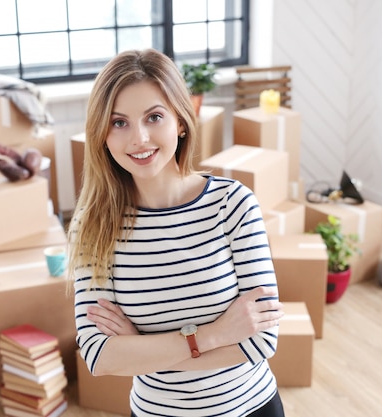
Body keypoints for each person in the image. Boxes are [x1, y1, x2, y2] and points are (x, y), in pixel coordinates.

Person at [67, 48, 285, 417]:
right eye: (119, 122)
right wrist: (212, 336)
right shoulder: (93, 225)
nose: (138, 138)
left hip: (252, 408)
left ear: (181, 122)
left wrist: (141, 350)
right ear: (101, 133)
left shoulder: (233, 205)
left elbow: (261, 339)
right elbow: (99, 356)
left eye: (154, 117)